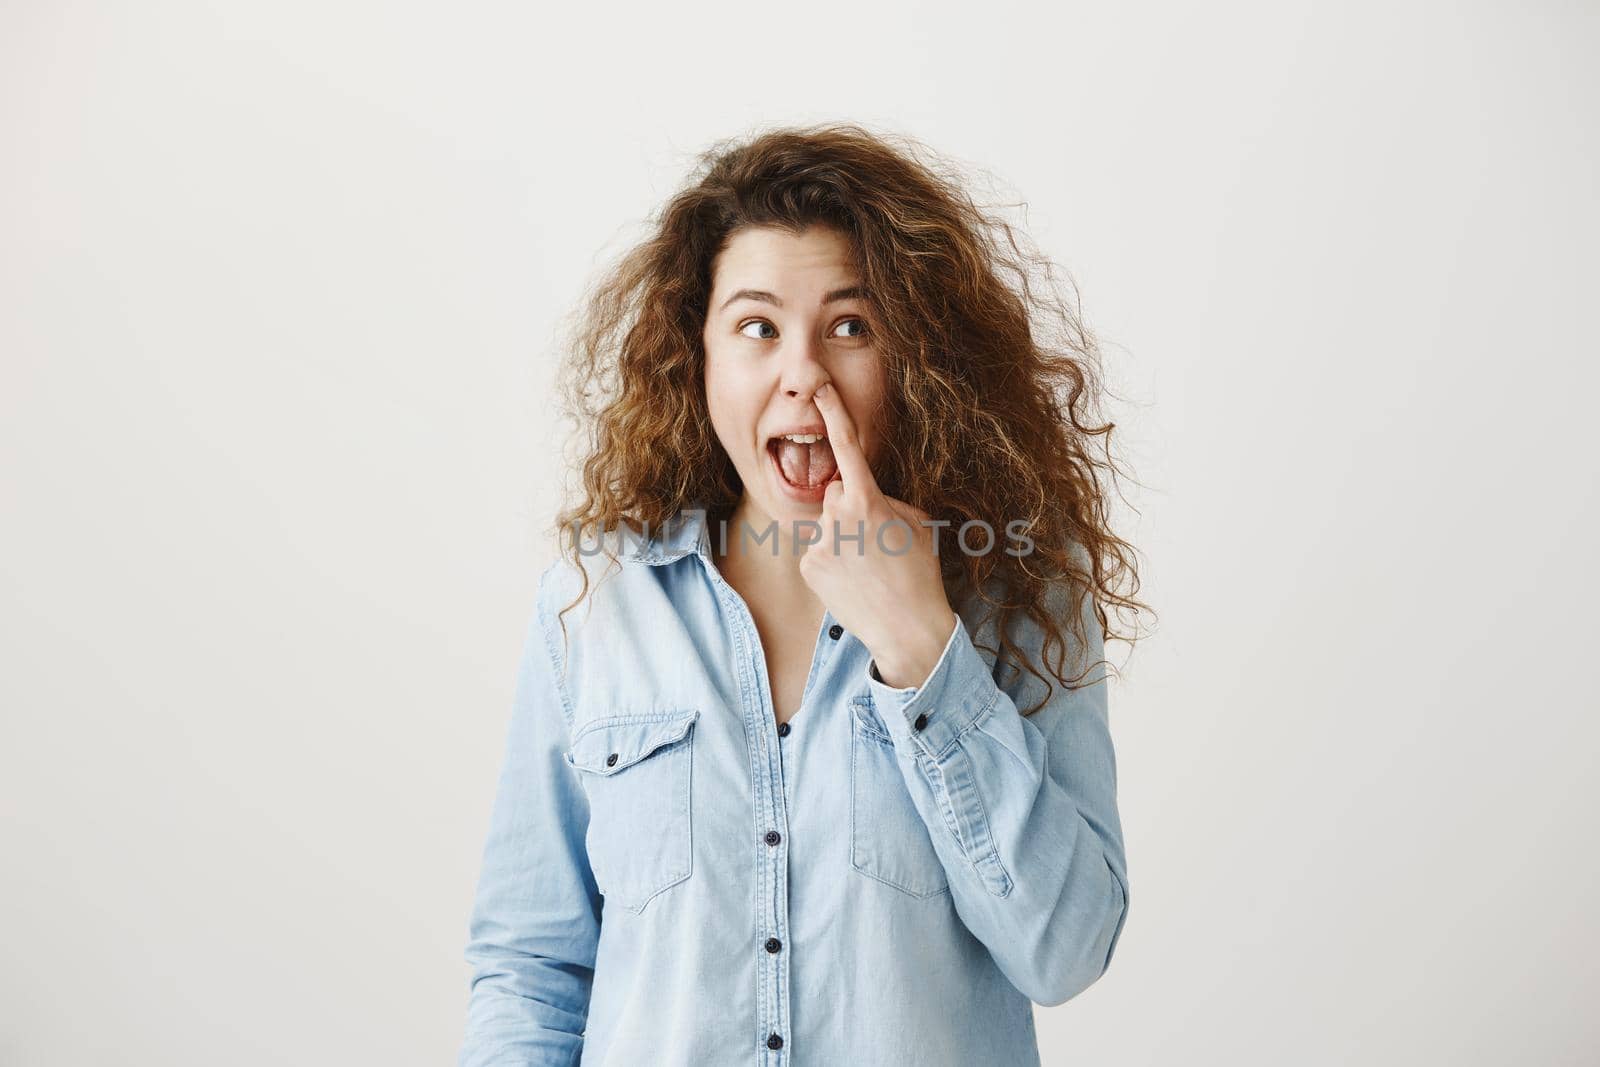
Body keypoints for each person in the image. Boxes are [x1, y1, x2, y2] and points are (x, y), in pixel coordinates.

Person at [458, 122, 1148, 1066]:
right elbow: (531, 971)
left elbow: (1065, 950)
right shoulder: (595, 605)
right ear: (695, 353)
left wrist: (921, 648)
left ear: (917, 356)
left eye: (851, 327)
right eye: (757, 327)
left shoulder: (1021, 590)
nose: (803, 374)